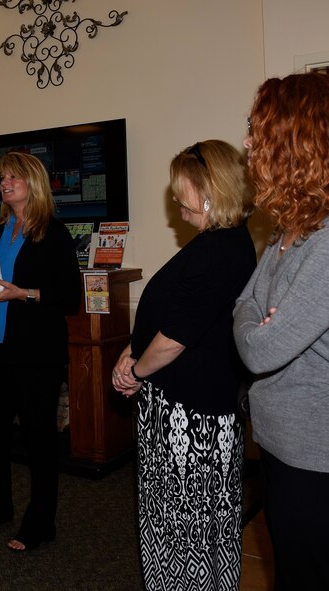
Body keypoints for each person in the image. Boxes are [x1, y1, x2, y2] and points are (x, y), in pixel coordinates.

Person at [112, 140, 255, 590]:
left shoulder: (219, 250)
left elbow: (176, 339)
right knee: (193, 534)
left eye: (182, 188)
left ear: (211, 187)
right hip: (185, 415)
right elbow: (173, 318)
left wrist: (134, 371)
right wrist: (132, 351)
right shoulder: (220, 242)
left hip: (189, 428)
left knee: (185, 537)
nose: (175, 198)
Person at [233, 72, 329, 591]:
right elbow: (244, 305)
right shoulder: (291, 227)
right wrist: (256, 316)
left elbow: (258, 349)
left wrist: (255, 322)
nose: (247, 140)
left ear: (296, 139)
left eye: (257, 127)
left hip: (316, 460)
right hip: (278, 446)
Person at [0, 151, 81, 552]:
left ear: (33, 183)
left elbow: (69, 296)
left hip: (36, 356)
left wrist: (25, 294)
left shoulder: (54, 233)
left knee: (38, 441)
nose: (4, 182)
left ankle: (41, 521)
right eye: (2, 178)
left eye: (13, 177)